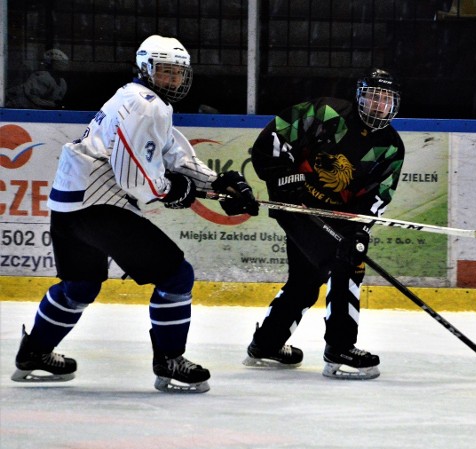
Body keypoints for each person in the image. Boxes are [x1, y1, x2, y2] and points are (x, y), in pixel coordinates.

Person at [10, 35, 259, 393]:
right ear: (146, 68)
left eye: (178, 73)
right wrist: (174, 191)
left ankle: (34, 352)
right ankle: (170, 361)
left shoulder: (135, 98)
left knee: (80, 286)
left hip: (69, 205)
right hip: (97, 206)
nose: (173, 80)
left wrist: (217, 182)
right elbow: (135, 177)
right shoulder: (146, 105)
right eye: (165, 72)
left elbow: (173, 152)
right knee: (176, 275)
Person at [245, 68, 405, 380]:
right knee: (344, 261)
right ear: (360, 96)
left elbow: (377, 197)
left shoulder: (391, 147)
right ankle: (340, 349)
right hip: (296, 205)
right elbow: (272, 138)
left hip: (336, 218)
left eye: (386, 100)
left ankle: (266, 344)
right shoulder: (326, 113)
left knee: (307, 281)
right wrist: (284, 179)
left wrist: (359, 228)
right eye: (373, 96)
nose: (378, 105)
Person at [5, 48, 70, 109]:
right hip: (18, 107)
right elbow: (33, 99)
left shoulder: (62, 82)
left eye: (64, 64)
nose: (63, 67)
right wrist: (53, 105)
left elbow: (57, 102)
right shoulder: (43, 77)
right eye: (59, 64)